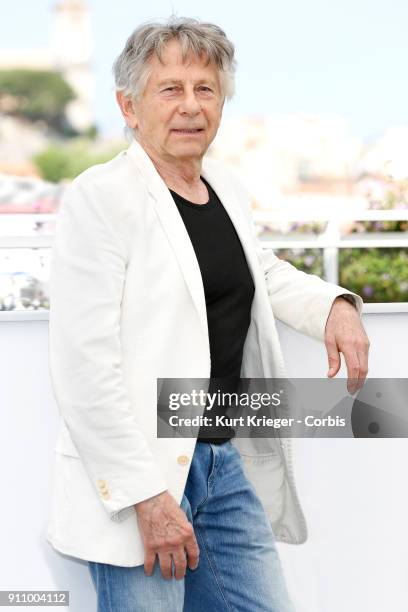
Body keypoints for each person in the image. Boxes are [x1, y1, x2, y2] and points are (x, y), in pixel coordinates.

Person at [46, 16, 370, 612]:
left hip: (221, 461)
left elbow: (258, 271)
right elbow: (83, 368)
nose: (191, 106)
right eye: (170, 89)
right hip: (143, 477)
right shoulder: (101, 198)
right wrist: (147, 497)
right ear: (129, 104)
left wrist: (335, 306)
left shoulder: (224, 185)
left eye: (206, 89)